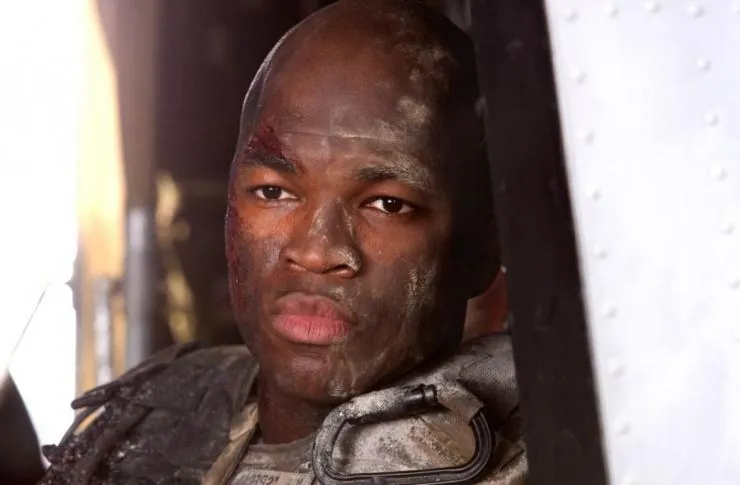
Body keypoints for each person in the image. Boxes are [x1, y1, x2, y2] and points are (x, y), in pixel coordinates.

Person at [40, 1, 526, 483]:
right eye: (273, 193)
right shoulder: (152, 420)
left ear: (483, 247)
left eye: (387, 204)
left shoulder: (545, 452)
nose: (316, 252)